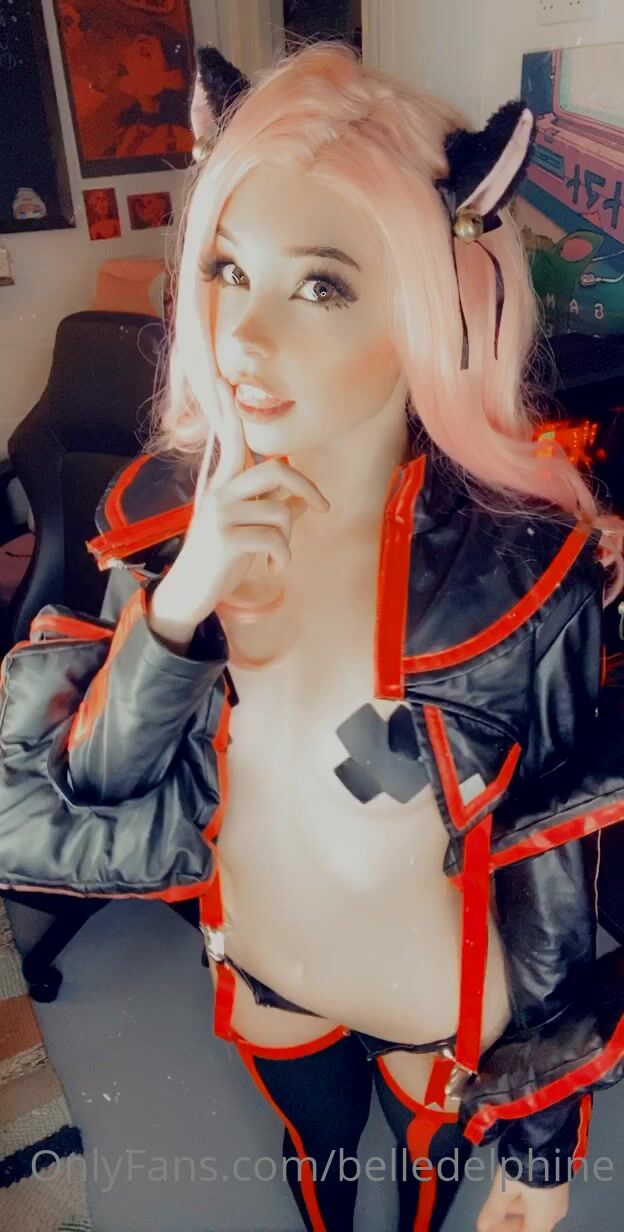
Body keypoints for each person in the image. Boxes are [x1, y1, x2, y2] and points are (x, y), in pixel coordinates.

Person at [3, 40, 624, 1232]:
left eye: (323, 285)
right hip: (261, 960)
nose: (242, 336)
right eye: (230, 267)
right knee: (321, 1163)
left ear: (429, 305)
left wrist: (541, 1143)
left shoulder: (516, 575)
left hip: (435, 994)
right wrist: (178, 608)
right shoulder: (169, 521)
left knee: (426, 1184)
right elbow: (98, 786)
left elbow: (552, 872)